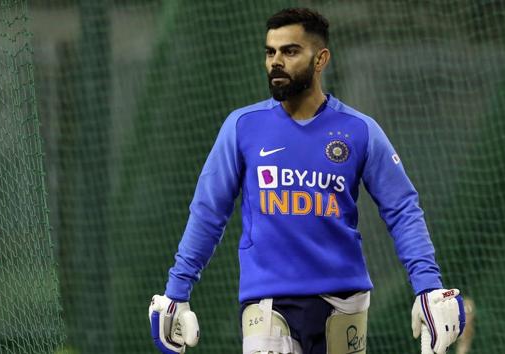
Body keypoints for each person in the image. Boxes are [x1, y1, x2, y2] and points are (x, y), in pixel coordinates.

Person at [149, 7, 465, 354]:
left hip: (346, 302)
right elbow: (209, 211)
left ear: (320, 59)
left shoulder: (360, 131)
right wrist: (177, 291)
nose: (276, 62)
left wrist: (428, 286)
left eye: (290, 51)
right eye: (270, 52)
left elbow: (402, 209)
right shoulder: (242, 127)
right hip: (267, 302)